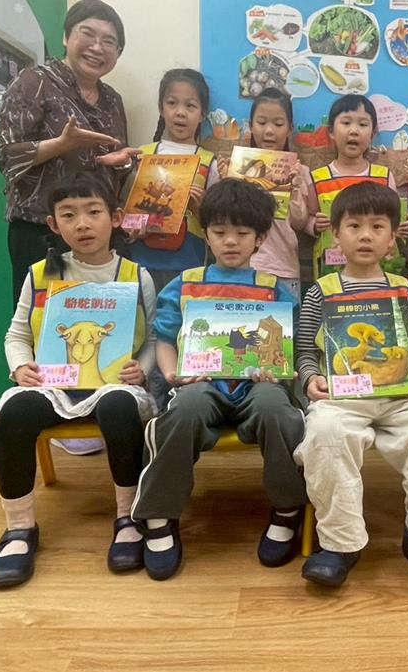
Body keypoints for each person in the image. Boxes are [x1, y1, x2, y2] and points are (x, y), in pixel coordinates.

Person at [130, 180, 306, 581]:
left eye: (242, 233)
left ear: (260, 238)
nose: (230, 241)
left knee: (275, 407)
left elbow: (287, 346)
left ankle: (287, 509)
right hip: (201, 382)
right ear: (205, 233)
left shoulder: (273, 288)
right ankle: (159, 515)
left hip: (257, 384)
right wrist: (172, 373)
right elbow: (165, 337)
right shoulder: (186, 282)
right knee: (185, 408)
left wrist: (277, 370)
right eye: (220, 231)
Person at [0, 173, 156, 589]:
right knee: (15, 411)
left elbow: (153, 338)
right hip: (54, 384)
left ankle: (127, 518)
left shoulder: (136, 275)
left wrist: (143, 369)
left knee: (119, 406)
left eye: (93, 212)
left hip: (114, 385)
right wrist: (20, 367)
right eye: (68, 215)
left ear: (115, 218)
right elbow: (16, 335)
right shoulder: (40, 274)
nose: (82, 224)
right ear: (53, 224)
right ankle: (19, 528)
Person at [294, 182, 408, 589]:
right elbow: (304, 350)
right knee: (325, 432)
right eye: (354, 226)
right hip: (343, 397)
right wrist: (311, 378)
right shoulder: (321, 291)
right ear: (336, 235)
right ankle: (340, 543)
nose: (365, 235)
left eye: (377, 226)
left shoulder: (405, 290)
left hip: (400, 396)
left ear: (392, 239)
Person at [0, 0, 138, 309]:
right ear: (66, 36)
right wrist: (60, 145)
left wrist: (120, 163)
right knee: (45, 316)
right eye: (88, 34)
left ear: (118, 52)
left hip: (98, 237)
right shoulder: (34, 82)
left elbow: (106, 169)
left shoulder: (113, 100)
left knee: (96, 319)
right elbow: (6, 155)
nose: (97, 47)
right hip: (43, 232)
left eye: (109, 42)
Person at [125, 69, 218, 293]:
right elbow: (127, 209)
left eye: (190, 106)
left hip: (189, 261)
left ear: (203, 114)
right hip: (141, 260)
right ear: (161, 108)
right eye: (172, 103)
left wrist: (200, 208)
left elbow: (217, 221)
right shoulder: (142, 155)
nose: (180, 113)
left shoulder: (209, 162)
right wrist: (132, 228)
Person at [215, 88, 313, 298]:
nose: (269, 130)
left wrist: (295, 189)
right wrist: (227, 183)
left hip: (283, 267)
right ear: (251, 126)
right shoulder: (236, 167)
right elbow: (224, 219)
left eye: (278, 124)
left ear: (289, 129)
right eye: (261, 122)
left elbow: (299, 223)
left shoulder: (300, 171)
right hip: (241, 267)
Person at [306, 95, 408, 280]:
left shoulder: (384, 176)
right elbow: (308, 216)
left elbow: (394, 216)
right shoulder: (317, 178)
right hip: (333, 269)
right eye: (346, 123)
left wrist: (401, 226)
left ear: (373, 133)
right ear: (331, 131)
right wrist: (313, 225)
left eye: (363, 124)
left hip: (380, 269)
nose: (354, 131)